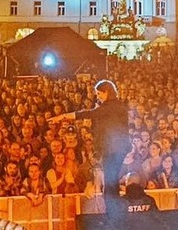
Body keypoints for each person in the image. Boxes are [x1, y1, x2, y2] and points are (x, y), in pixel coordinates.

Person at [49, 80, 131, 216]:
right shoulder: (113, 106)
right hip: (114, 148)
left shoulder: (112, 107)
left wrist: (63, 117)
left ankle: (114, 213)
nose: (98, 96)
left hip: (115, 149)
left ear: (107, 92)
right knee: (111, 180)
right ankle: (114, 211)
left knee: (110, 180)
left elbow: (87, 113)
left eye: (99, 94)